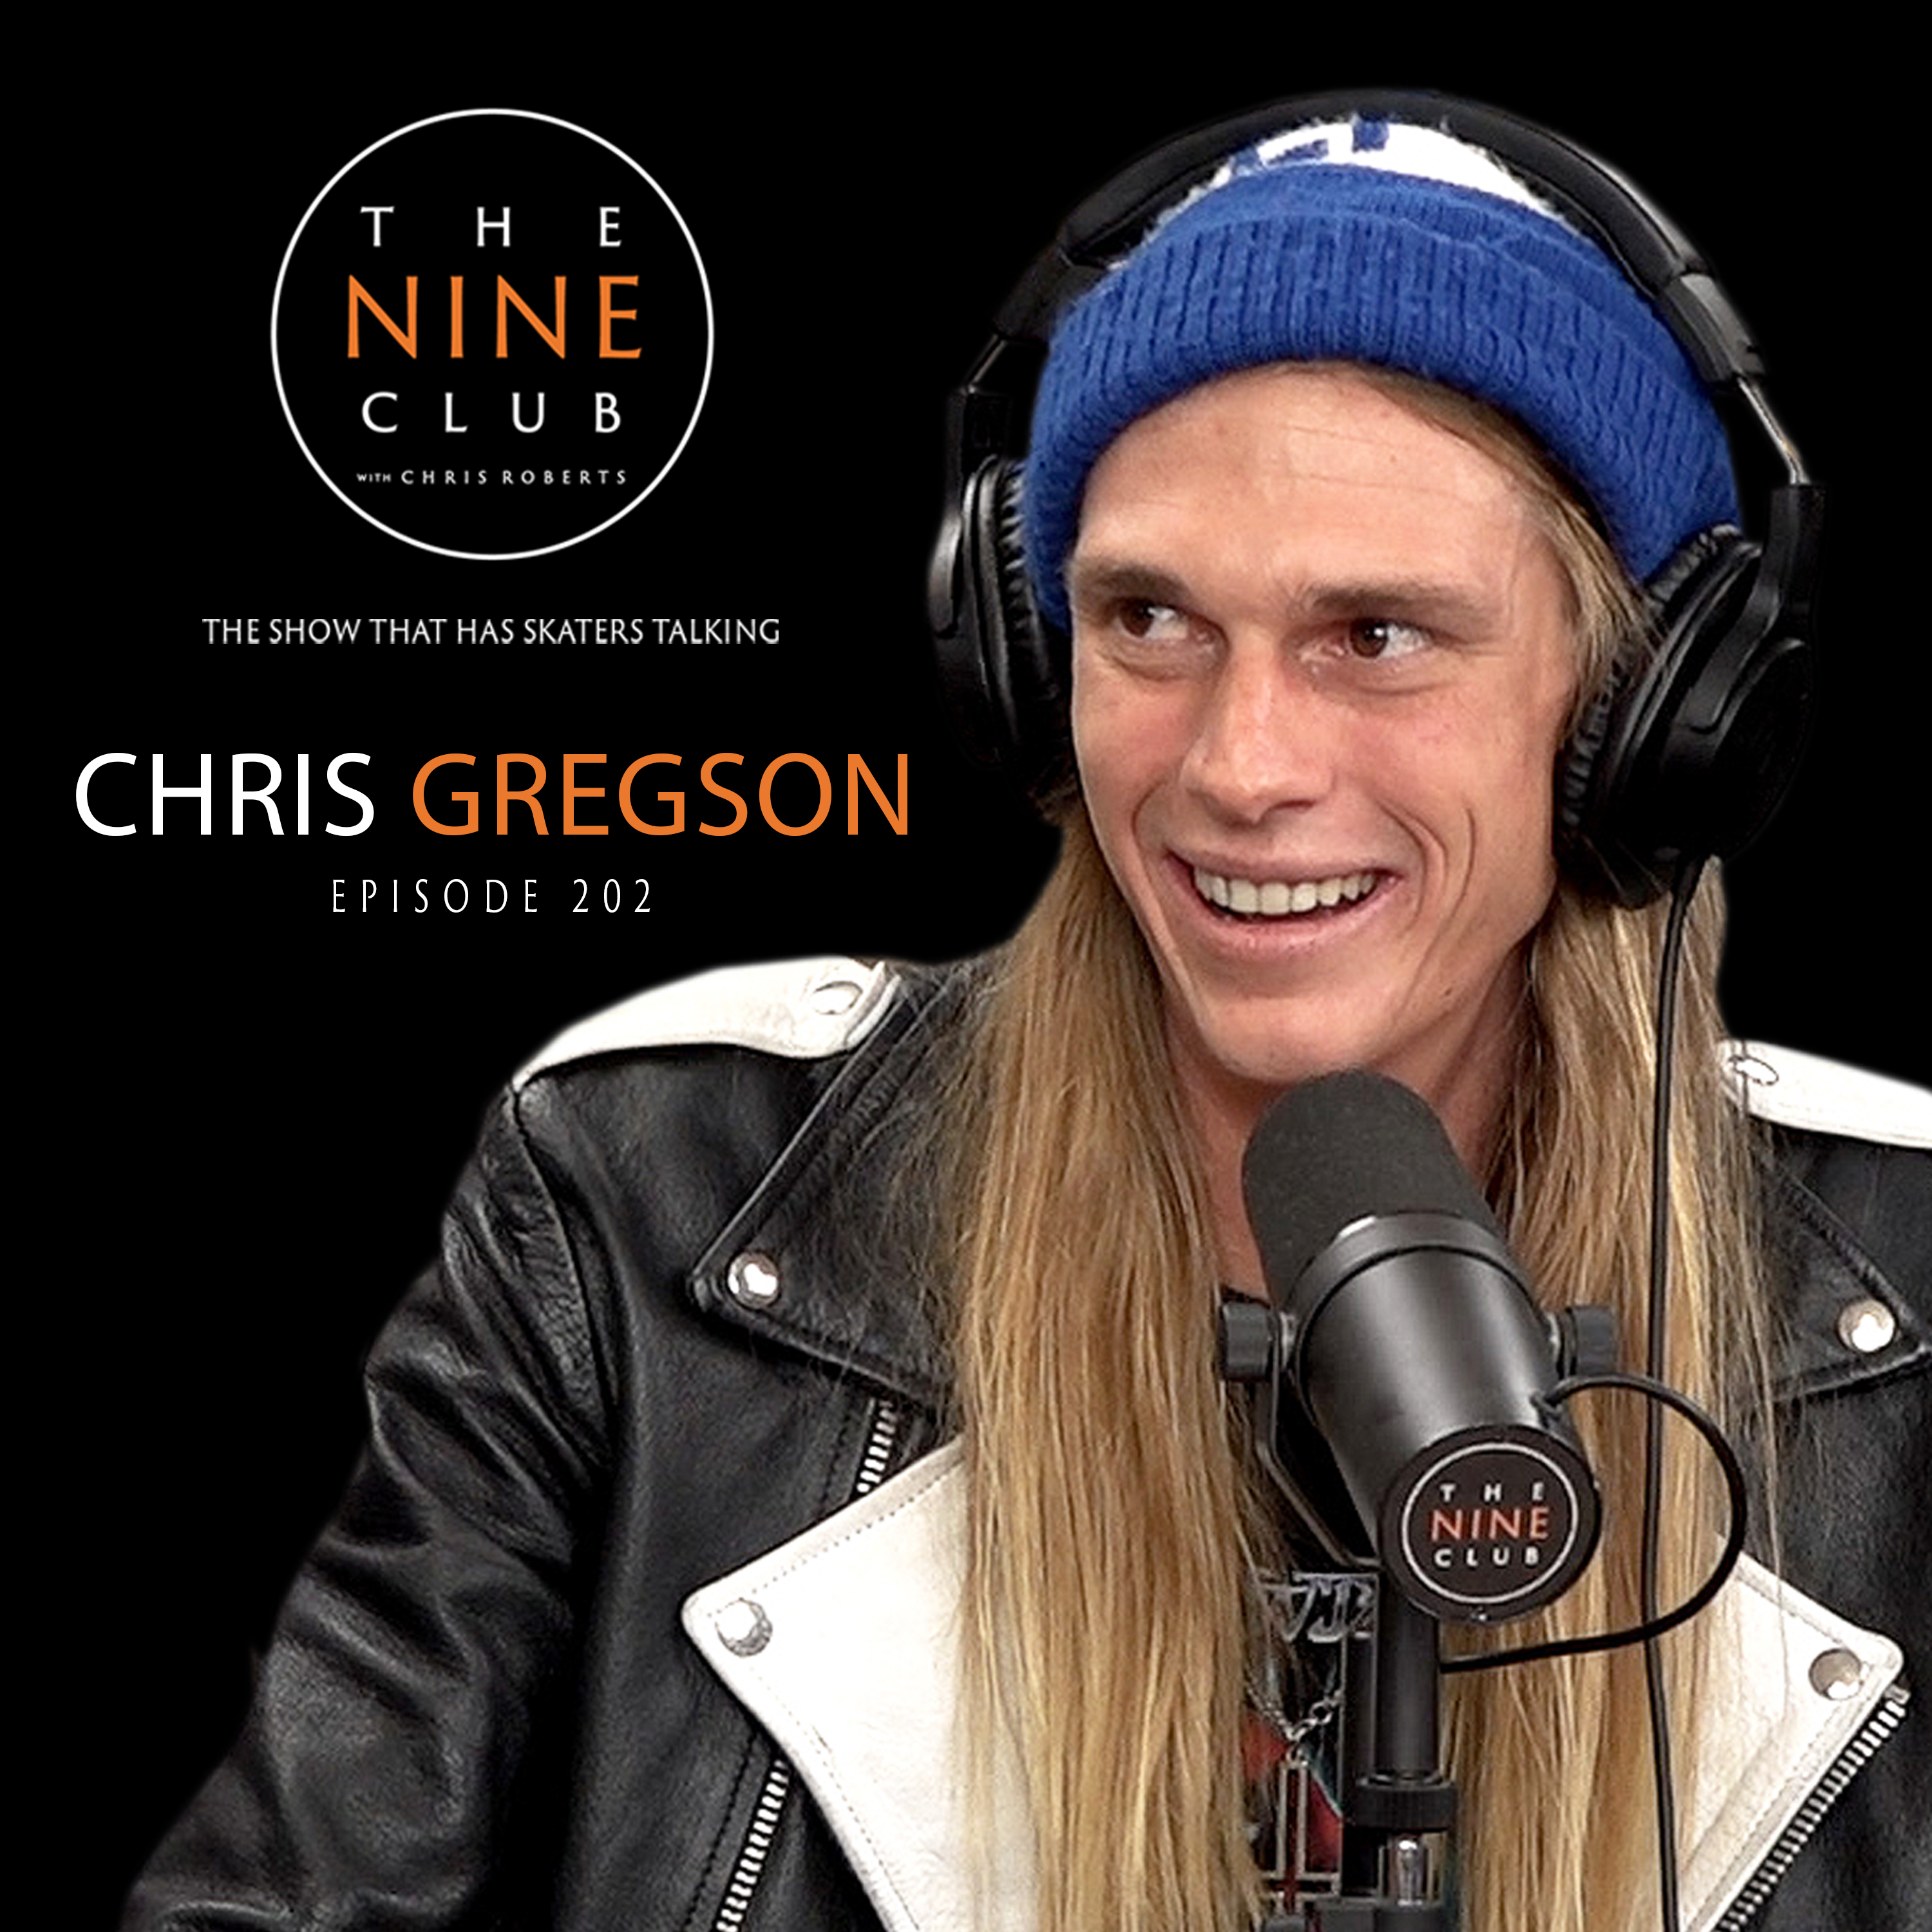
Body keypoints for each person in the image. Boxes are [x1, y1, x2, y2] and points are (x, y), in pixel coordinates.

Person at [126, 95, 1928, 1932]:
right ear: (1024, 658)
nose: (1239, 766)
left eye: (1377, 636)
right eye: (1147, 619)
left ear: (1651, 719)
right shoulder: (642, 1195)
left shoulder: (1915, 1271)